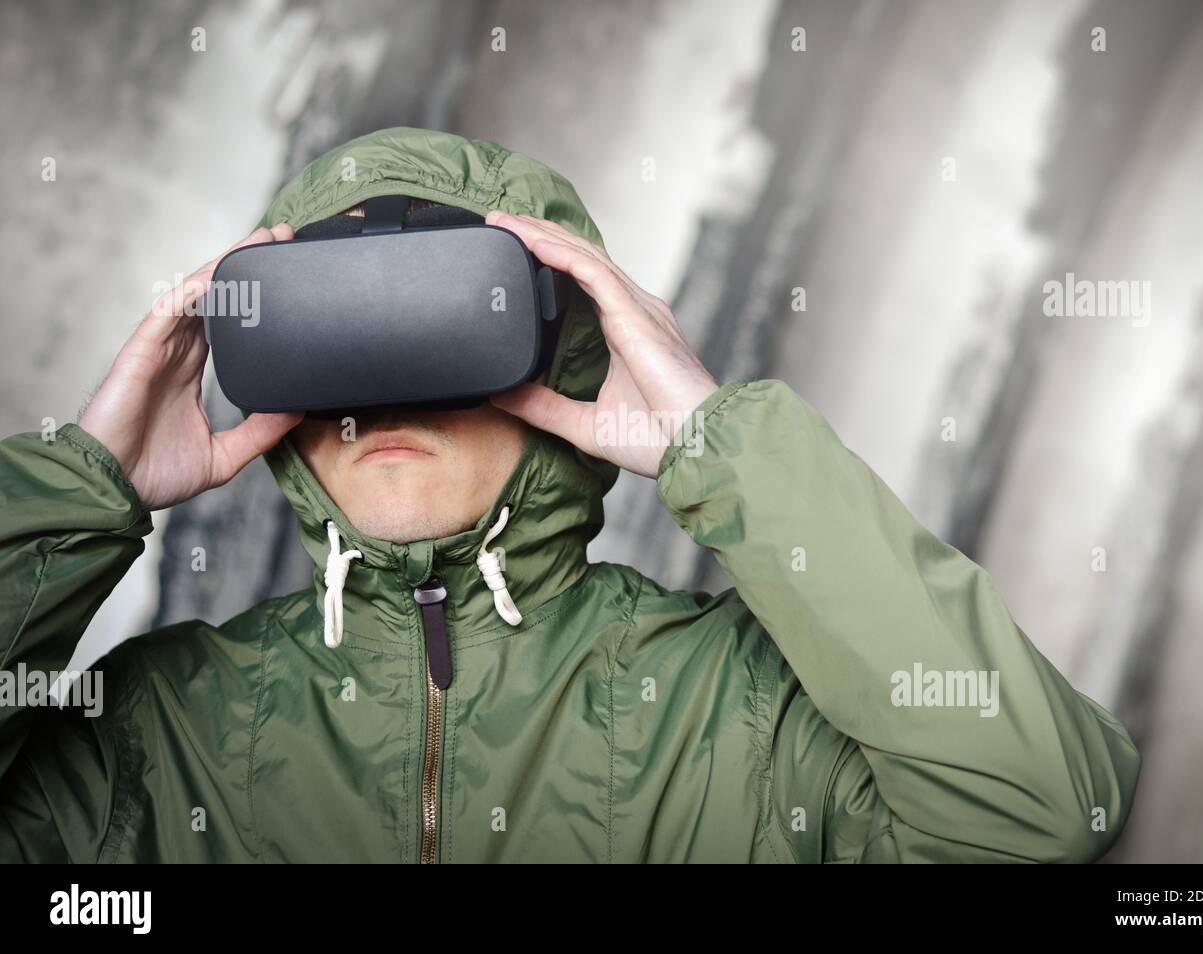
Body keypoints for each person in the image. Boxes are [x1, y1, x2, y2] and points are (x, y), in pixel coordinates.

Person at [0, 128, 1139, 863]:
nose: (389, 391)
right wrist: (77, 487)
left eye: (449, 327)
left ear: (572, 358)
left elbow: (1041, 815)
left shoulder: (742, 714)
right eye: (341, 336)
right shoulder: (151, 740)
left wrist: (719, 440)